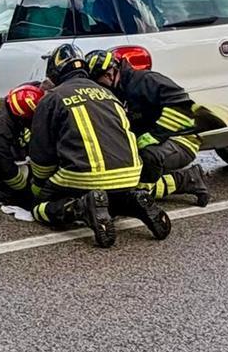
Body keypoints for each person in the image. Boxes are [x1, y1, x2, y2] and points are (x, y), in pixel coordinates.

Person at [29, 44, 171, 248]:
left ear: (54, 71)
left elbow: (42, 153)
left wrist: (39, 185)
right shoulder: (108, 94)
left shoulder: (53, 98)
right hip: (130, 174)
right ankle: (133, 202)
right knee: (107, 197)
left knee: (39, 207)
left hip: (85, 175)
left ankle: (80, 207)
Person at [86, 50, 210, 207]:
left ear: (110, 74)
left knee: (141, 173)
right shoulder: (118, 91)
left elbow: (183, 109)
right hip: (153, 142)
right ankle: (185, 179)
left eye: (98, 83)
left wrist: (155, 135)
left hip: (182, 140)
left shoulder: (146, 81)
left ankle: (184, 180)